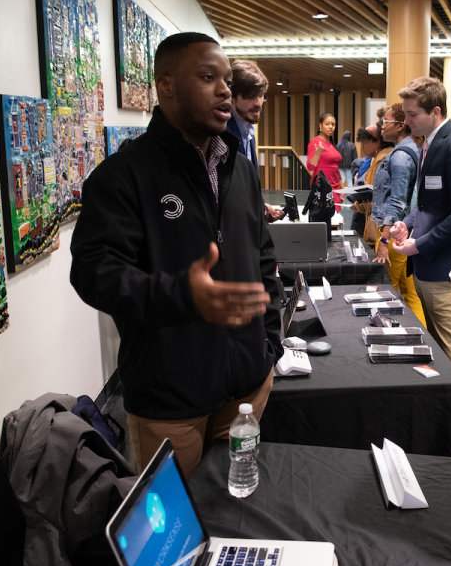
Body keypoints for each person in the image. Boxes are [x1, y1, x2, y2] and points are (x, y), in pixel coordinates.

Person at [69, 33, 282, 477]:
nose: (225, 89)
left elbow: (263, 257)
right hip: (171, 404)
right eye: (208, 78)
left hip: (247, 390)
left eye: (226, 78)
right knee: (176, 538)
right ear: (165, 86)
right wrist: (181, 293)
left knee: (237, 517)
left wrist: (270, 346)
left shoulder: (239, 169)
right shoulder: (124, 176)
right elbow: (94, 272)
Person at [390, 77, 451, 443]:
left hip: (446, 270)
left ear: (435, 111)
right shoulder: (430, 143)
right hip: (428, 266)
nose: (406, 120)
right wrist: (405, 225)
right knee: (443, 353)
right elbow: (427, 205)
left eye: (412, 114)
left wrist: (419, 245)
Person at [371, 102, 425, 324]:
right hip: (406, 230)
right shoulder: (411, 149)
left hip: (394, 232)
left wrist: (384, 238)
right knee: (409, 293)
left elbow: (397, 201)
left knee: (387, 291)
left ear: (401, 125)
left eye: (386, 122)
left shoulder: (401, 155)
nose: (381, 127)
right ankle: (422, 337)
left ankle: (391, 338)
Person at [226, 60, 283, 221]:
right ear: (232, 96)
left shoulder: (248, 131)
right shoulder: (221, 134)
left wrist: (262, 208)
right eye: (250, 96)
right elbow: (231, 194)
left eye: (260, 95)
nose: (258, 102)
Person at [307, 113, 343, 210]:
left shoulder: (331, 144)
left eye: (333, 124)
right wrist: (317, 154)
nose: (330, 127)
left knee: (335, 221)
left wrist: (342, 188)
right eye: (327, 124)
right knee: (326, 221)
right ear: (320, 125)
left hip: (335, 188)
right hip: (323, 189)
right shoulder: (315, 142)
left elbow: (335, 168)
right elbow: (310, 166)